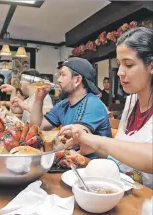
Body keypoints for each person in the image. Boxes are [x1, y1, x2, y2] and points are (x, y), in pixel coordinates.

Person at [59, 27, 153, 189]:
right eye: (119, 64)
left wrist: (98, 141)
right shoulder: (132, 102)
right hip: (126, 195)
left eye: (129, 65)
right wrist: (91, 145)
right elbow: (123, 156)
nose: (120, 73)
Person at [30, 57, 112, 159]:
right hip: (70, 163)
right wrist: (39, 99)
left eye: (63, 75)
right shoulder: (63, 104)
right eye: (59, 75)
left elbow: (77, 135)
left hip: (93, 168)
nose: (58, 80)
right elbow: (36, 127)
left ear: (77, 80)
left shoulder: (93, 104)